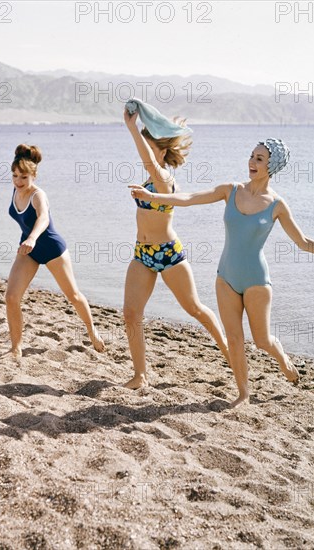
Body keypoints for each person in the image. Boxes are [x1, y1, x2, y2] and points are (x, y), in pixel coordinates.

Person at [129, 138, 314, 407]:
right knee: (235, 338)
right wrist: (153, 197)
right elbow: (191, 198)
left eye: (259, 159)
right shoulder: (231, 190)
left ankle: (281, 357)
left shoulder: (277, 205)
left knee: (262, 340)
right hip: (226, 277)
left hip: (256, 280)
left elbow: (304, 243)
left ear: (271, 166)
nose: (252, 162)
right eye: (252, 156)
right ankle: (243, 393)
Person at [123, 103, 230, 389]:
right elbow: (147, 162)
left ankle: (231, 353)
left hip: (168, 254)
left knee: (194, 308)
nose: (142, 150)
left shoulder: (164, 178)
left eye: (146, 145)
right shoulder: (151, 178)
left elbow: (148, 161)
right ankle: (140, 375)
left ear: (157, 148)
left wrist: (132, 129)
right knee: (131, 313)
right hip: (142, 253)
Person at [5, 144, 104, 359]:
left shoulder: (38, 195)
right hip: (28, 248)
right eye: (14, 176)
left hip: (51, 247)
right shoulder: (16, 189)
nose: (18, 181)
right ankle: (16, 348)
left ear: (34, 175)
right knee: (11, 297)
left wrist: (32, 237)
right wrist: (27, 240)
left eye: (23, 177)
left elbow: (43, 218)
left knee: (73, 295)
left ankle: (92, 331)